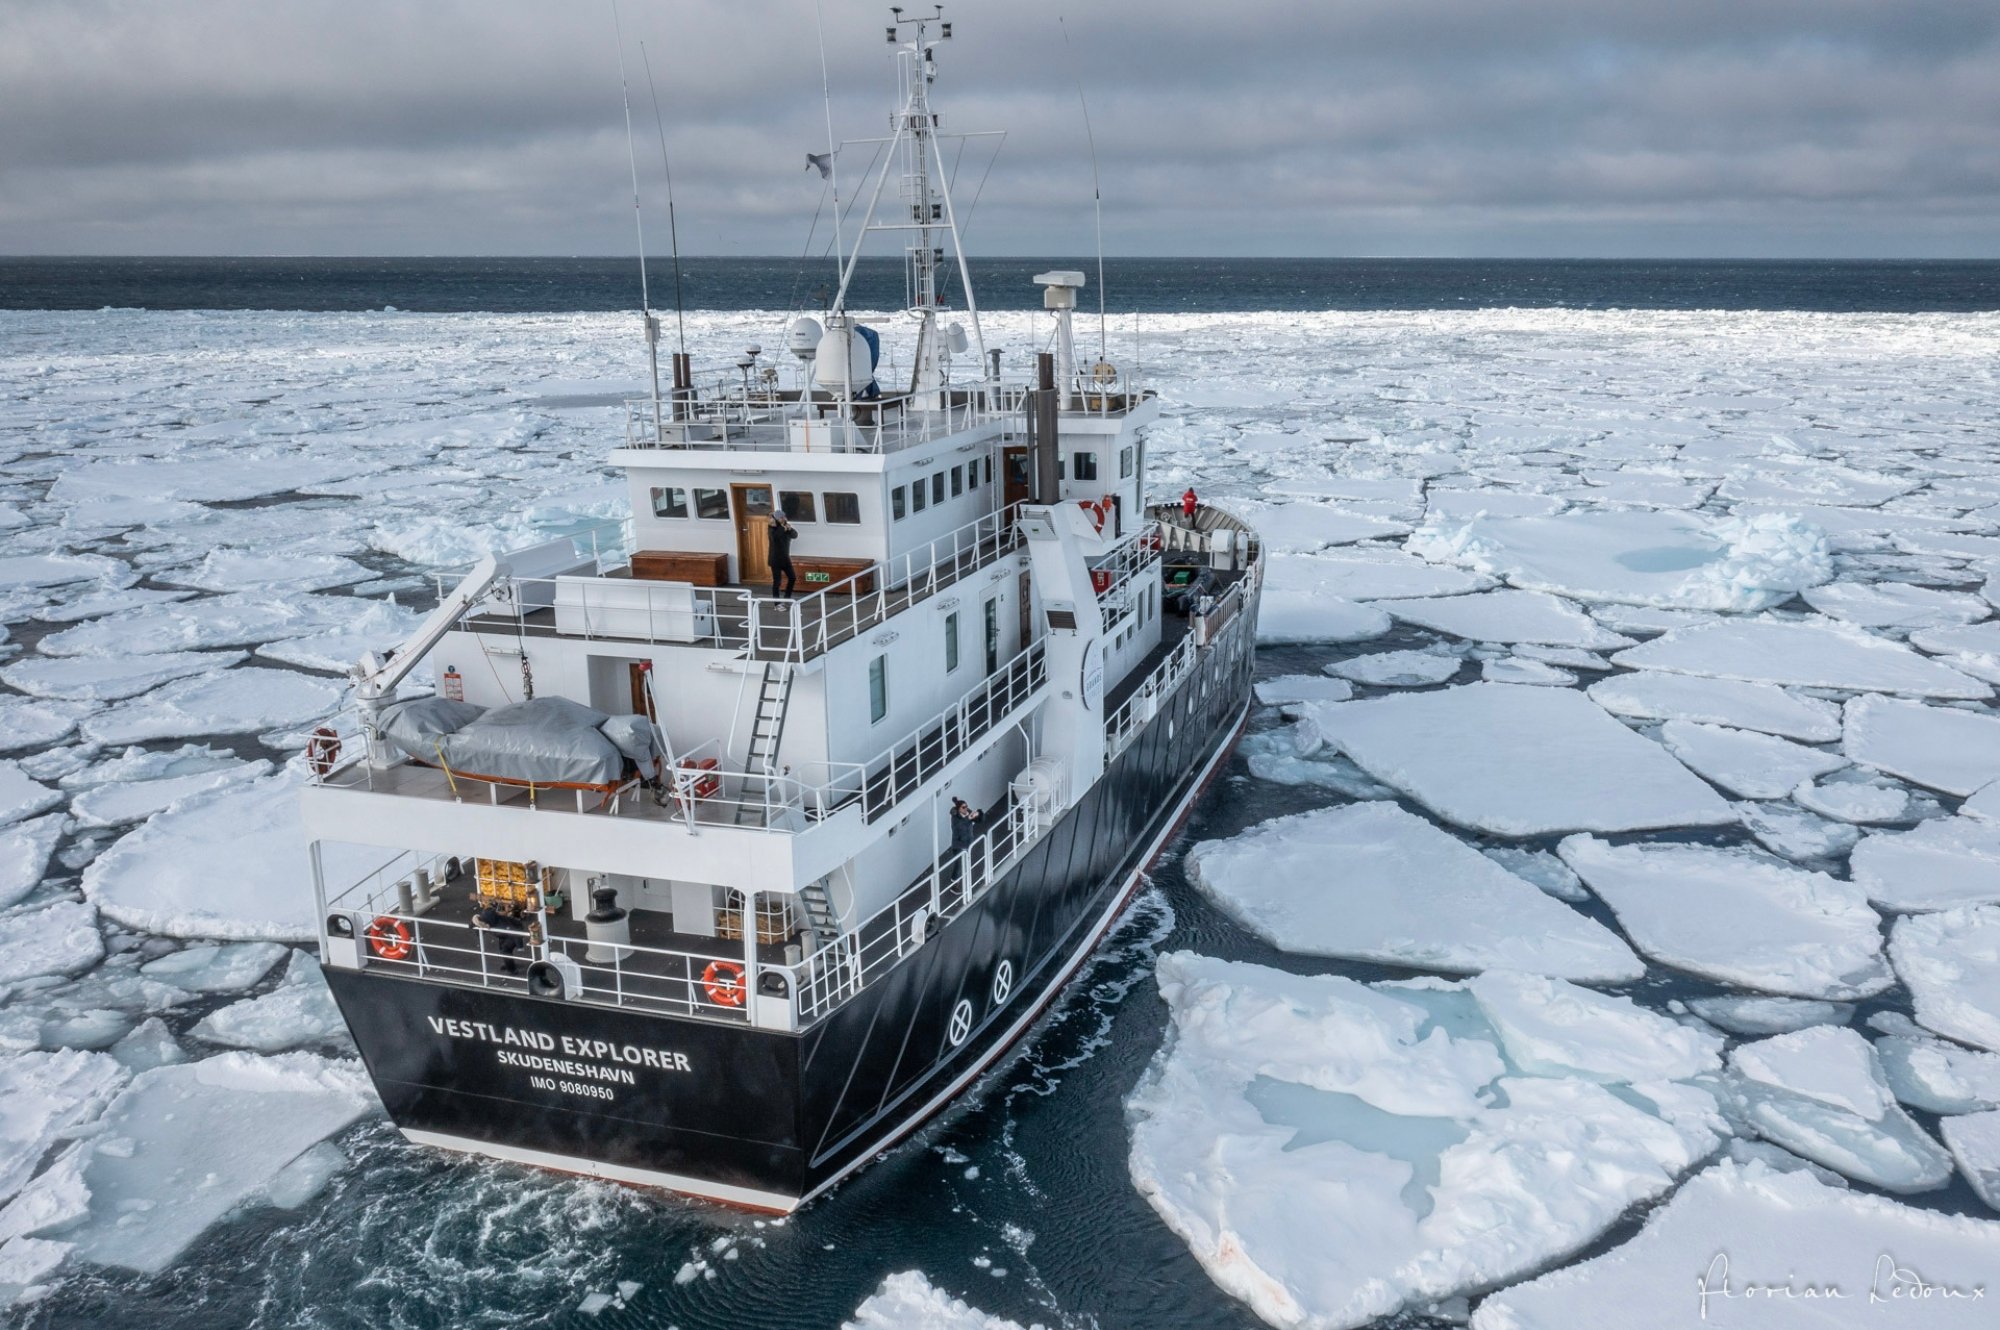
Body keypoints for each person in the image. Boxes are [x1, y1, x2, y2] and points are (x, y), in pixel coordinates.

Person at [473, 898, 529, 975]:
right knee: (504, 949)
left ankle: (512, 970)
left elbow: (515, 931)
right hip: (505, 933)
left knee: (505, 950)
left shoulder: (496, 923)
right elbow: (479, 924)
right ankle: (509, 964)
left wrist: (520, 946)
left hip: (512, 932)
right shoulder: (487, 919)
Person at [767, 510, 798, 597]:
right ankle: (777, 603)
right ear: (777, 518)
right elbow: (774, 538)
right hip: (775, 559)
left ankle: (787, 597)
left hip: (785, 558)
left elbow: (795, 535)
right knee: (777, 582)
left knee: (792, 578)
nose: (783, 519)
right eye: (781, 517)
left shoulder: (786, 526)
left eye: (784, 516)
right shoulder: (772, 528)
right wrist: (782, 529)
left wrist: (790, 529)